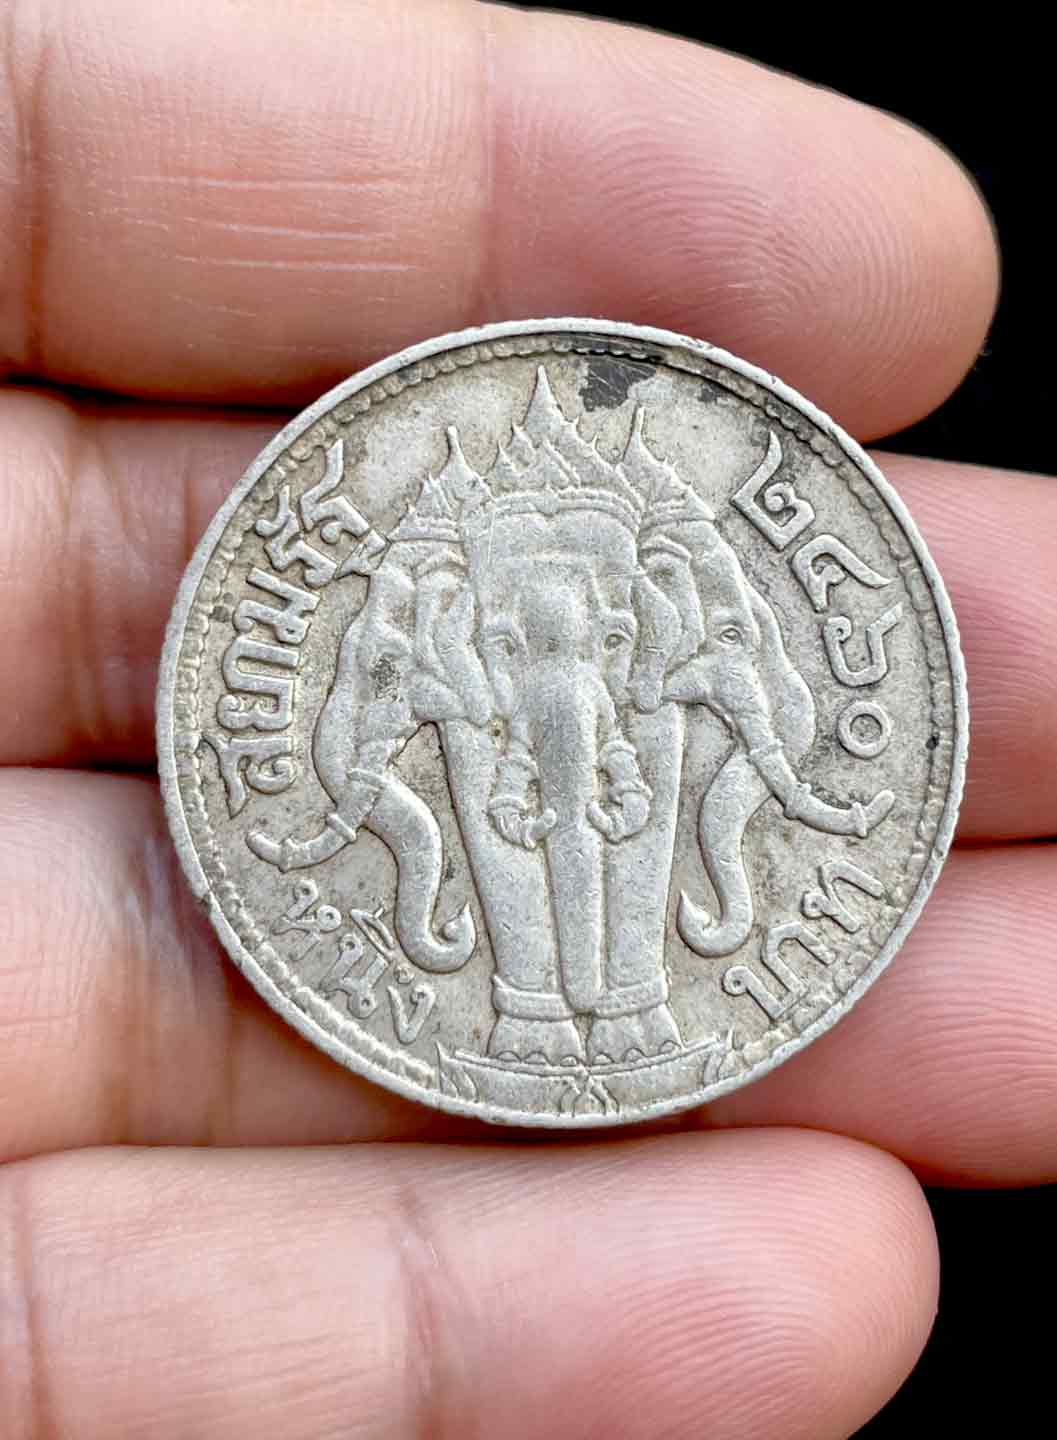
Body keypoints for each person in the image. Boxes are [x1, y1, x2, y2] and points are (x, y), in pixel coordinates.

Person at [0, 2, 1040, 1435]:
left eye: (609, 634)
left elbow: (721, 694)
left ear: (650, 622)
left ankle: (616, 1003)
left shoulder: (683, 631)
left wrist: (658, 707)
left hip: (605, 703)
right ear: (458, 631)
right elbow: (381, 724)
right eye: (502, 639)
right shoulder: (427, 641)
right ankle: (542, 1007)